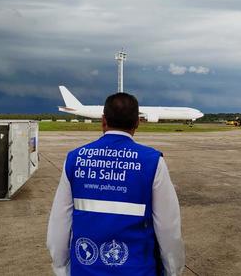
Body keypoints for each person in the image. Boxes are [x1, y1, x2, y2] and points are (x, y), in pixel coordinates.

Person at [47, 92, 185, 276]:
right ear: (137, 123)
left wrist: (61, 268)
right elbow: (168, 228)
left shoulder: (75, 159)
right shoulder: (152, 162)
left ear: (103, 121)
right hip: (137, 269)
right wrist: (172, 270)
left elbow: (59, 223)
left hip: (85, 268)